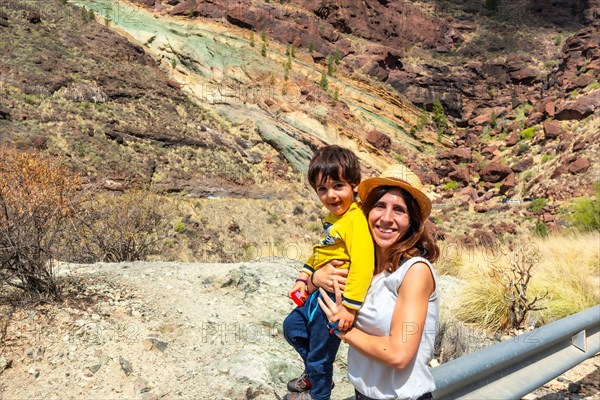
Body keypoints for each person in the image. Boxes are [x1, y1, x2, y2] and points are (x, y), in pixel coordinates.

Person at [316, 164, 440, 400]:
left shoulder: (414, 272)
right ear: (367, 212)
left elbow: (399, 354)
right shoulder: (362, 267)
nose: (386, 218)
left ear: (412, 221)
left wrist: (342, 330)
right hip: (362, 393)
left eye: (399, 210)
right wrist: (316, 277)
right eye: (379, 206)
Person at [283, 145, 375, 400]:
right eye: (322, 189)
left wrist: (349, 308)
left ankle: (318, 394)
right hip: (317, 293)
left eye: (338, 186)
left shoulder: (355, 220)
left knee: (321, 356)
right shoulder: (335, 218)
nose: (331, 195)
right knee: (292, 327)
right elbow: (319, 252)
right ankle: (314, 374)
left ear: (355, 185)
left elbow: (363, 263)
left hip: (335, 300)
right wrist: (305, 277)